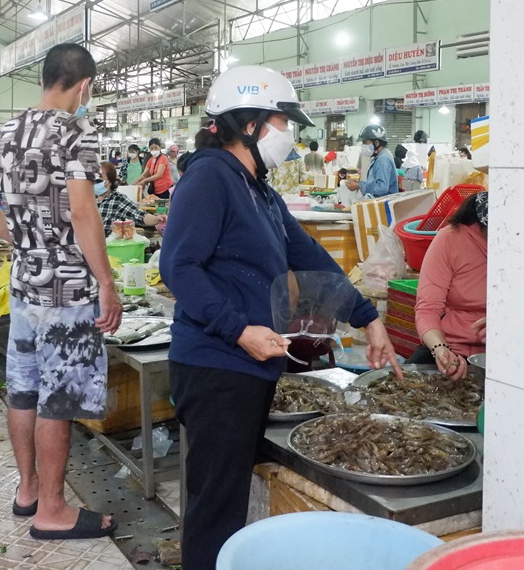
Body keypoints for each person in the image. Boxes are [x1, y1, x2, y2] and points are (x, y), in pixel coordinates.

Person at [159, 65, 400, 568]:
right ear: (249, 124)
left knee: (230, 495)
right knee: (215, 507)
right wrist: (238, 328)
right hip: (216, 366)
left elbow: (307, 253)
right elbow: (178, 267)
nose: (288, 134)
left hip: (249, 364)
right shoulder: (210, 177)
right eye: (282, 121)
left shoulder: (259, 189)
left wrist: (367, 317)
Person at [0, 43, 122, 541]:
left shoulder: (8, 129)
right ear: (84, 85)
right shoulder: (78, 131)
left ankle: (28, 489)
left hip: (25, 283)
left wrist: (16, 238)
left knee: (24, 386)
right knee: (60, 395)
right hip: (67, 289)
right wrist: (106, 280)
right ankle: (53, 509)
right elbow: (82, 212)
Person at [411, 192, 487, 380]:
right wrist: (440, 349)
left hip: (508, 353)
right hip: (451, 346)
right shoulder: (450, 240)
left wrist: (509, 324)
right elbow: (427, 309)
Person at [96, 162, 166, 236]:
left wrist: (156, 219)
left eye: (100, 176)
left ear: (109, 182)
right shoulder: (90, 199)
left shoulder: (118, 200)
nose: (95, 179)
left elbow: (139, 215)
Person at [345, 124, 399, 199]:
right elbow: (375, 182)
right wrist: (360, 183)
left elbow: (382, 188)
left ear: (376, 143)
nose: (363, 146)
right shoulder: (380, 156)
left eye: (365, 143)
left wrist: (359, 186)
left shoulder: (383, 159)